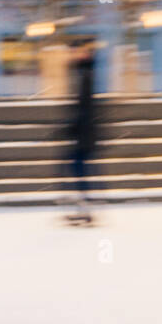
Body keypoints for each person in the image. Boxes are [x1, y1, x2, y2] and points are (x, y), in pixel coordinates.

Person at [64, 40, 99, 225]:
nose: (74, 53)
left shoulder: (86, 75)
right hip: (84, 132)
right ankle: (85, 207)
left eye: (79, 51)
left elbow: (85, 108)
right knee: (79, 168)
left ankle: (86, 208)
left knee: (78, 168)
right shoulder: (83, 73)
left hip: (85, 133)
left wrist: (74, 127)